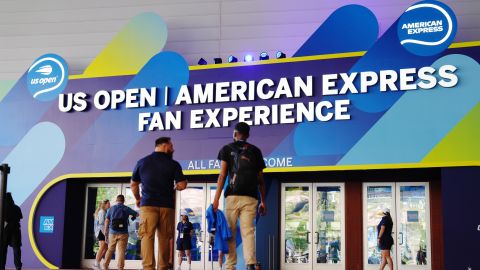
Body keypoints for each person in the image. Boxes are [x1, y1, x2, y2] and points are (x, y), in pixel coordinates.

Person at [212, 122, 267, 270]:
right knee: (248, 231)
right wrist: (263, 202)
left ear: (234, 133)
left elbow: (222, 175)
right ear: (248, 135)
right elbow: (261, 180)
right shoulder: (255, 151)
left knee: (230, 231)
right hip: (251, 197)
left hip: (232, 197)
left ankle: (230, 265)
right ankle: (250, 264)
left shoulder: (227, 148)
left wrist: (216, 199)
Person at [131, 137, 188, 270]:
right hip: (166, 206)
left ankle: (148, 267)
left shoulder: (142, 162)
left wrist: (138, 198)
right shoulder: (173, 164)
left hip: (148, 205)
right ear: (163, 145)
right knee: (164, 238)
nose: (173, 148)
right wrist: (176, 187)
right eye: (171, 145)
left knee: (146, 237)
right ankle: (162, 267)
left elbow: (134, 184)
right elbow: (182, 184)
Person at [103, 195, 138, 270]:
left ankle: (105, 266)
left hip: (112, 232)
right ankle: (120, 268)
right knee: (122, 251)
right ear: (123, 201)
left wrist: (106, 231)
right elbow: (137, 214)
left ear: (116, 200)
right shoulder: (126, 208)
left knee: (110, 250)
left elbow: (106, 220)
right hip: (123, 233)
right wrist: (133, 217)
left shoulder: (111, 209)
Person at [1, 193, 22, 270]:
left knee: (3, 251)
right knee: (16, 250)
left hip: (5, 232)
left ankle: (2, 267)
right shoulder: (17, 208)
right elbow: (19, 218)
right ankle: (18, 267)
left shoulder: (2, 208)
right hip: (15, 232)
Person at [93, 199, 110, 269]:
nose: (109, 205)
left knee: (105, 248)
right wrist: (105, 233)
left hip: (103, 231)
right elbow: (101, 223)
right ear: (105, 204)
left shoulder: (104, 211)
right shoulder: (102, 212)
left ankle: (98, 263)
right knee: (102, 247)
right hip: (101, 231)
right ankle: (96, 264)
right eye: (108, 204)